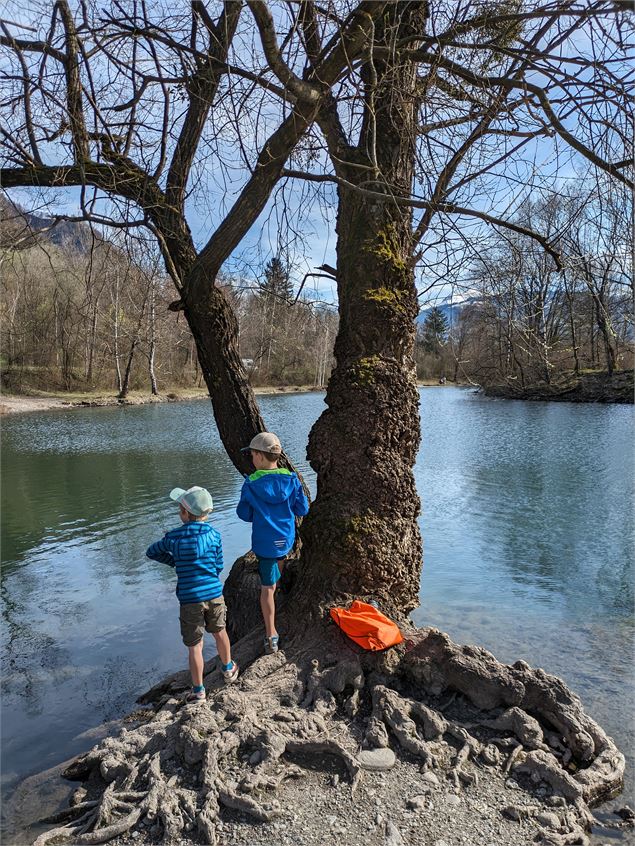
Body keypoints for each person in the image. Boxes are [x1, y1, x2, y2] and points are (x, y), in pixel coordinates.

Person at [146, 486, 238, 701]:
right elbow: (218, 565)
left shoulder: (173, 538)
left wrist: (176, 563)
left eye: (180, 509)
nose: (180, 513)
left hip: (189, 598)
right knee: (220, 632)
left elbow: (151, 552)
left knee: (195, 646)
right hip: (214, 593)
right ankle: (228, 668)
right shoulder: (214, 535)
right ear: (206, 513)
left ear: (185, 514)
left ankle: (198, 691)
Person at [236, 432, 309, 654]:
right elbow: (302, 509)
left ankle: (271, 635)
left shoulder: (251, 483)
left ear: (259, 455)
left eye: (251, 455)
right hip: (286, 540)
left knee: (266, 588)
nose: (250, 459)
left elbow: (244, 514)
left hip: (265, 542)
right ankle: (277, 603)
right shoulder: (291, 479)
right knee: (276, 574)